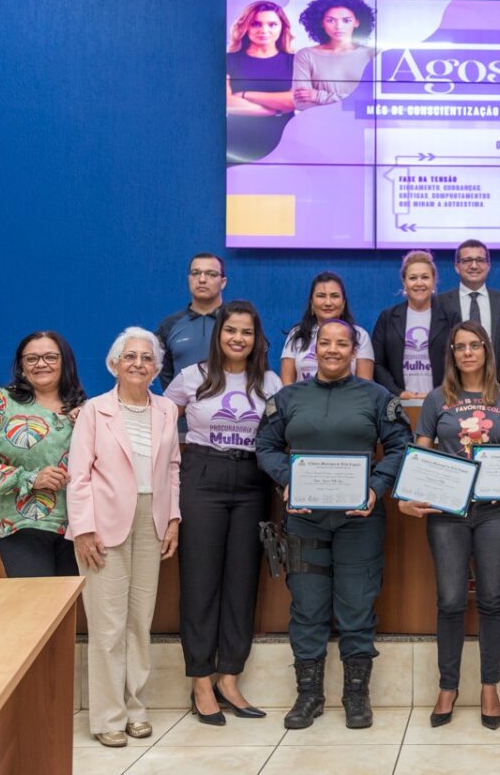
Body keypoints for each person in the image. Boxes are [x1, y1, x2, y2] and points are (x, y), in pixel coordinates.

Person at [255, 319, 413, 731]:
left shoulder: (377, 397)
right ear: (313, 350)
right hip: (304, 520)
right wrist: (288, 481)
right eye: (325, 343)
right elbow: (266, 446)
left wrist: (377, 487)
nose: (332, 350)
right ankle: (309, 696)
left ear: (353, 351)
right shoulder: (288, 398)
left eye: (342, 344)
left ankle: (356, 696)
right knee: (306, 605)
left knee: (357, 604)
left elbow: (400, 446)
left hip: (359, 518)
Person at [399, 321, 500, 730]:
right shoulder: (438, 400)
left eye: (475, 345)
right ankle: (448, 686)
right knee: (451, 600)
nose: (468, 352)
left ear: (487, 350)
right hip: (448, 513)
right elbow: (421, 457)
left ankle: (490, 685)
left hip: (495, 512)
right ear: (451, 354)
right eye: (460, 347)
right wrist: (408, 498)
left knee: (491, 598)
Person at [164, 301, 282, 725]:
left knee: (241, 581)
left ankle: (229, 676)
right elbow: (158, 418)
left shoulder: (269, 381)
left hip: (252, 478)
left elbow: (283, 433)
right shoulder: (191, 377)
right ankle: (199, 678)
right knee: (200, 580)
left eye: (246, 332)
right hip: (202, 474)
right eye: (231, 330)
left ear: (256, 339)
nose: (238, 338)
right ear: (219, 334)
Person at [67, 328, 181, 748]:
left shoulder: (168, 409)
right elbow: (78, 477)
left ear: (156, 367)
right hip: (102, 525)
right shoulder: (94, 411)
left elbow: (172, 469)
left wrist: (173, 519)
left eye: (147, 358)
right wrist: (83, 529)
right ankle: (108, 717)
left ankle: (136, 709)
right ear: (114, 364)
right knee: (108, 625)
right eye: (129, 356)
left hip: (151, 520)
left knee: (139, 622)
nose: (138, 363)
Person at [0, 331, 86, 577]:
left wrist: (89, 420)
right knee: (35, 610)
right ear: (21, 366)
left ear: (65, 362)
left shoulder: (83, 409)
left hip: (76, 527)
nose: (41, 364)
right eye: (31, 359)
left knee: (67, 611)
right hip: (21, 525)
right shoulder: (0, 401)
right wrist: (30, 479)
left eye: (50, 357)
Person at [372, 250, 461, 399]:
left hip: (442, 401)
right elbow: (377, 364)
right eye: (413, 278)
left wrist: (440, 393)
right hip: (398, 402)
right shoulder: (387, 318)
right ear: (404, 283)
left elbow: (459, 362)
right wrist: (398, 393)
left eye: (425, 277)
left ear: (433, 281)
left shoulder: (451, 318)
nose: (419, 283)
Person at [226, 0, 297, 164]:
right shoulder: (228, 60)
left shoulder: (296, 61)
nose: (264, 30)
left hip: (283, 142)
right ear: (245, 27)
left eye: (272, 24)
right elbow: (226, 102)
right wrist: (276, 110)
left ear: (282, 27)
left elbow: (294, 100)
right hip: (236, 143)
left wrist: (245, 94)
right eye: (256, 24)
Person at [281, 270, 375, 384]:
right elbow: (287, 385)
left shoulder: (360, 336)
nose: (328, 302)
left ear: (343, 302)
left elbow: (365, 387)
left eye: (334, 296)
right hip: (303, 401)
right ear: (311, 302)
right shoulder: (296, 334)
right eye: (321, 296)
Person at [439, 240, 500, 368]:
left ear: (488, 266)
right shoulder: (440, 303)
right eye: (467, 260)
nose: (474, 266)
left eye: (480, 260)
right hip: (453, 379)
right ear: (456, 267)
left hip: (496, 380)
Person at [156, 253, 227, 390]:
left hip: (230, 409)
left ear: (223, 282)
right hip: (182, 409)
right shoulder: (169, 326)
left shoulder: (237, 323)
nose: (201, 279)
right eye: (195, 273)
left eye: (211, 274)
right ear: (189, 279)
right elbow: (164, 373)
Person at [293, 0, 376, 109]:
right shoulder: (306, 55)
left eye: (346, 20)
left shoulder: (373, 55)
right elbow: (302, 103)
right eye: (330, 20)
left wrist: (319, 96)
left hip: (362, 125)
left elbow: (373, 101)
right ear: (321, 23)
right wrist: (351, 102)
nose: (338, 27)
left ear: (357, 22)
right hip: (320, 124)